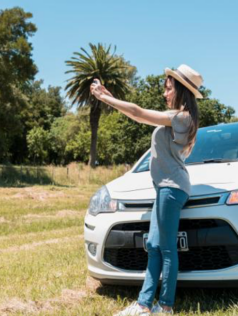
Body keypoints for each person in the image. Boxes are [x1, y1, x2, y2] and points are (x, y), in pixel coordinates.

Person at [90, 64, 203, 316]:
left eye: (169, 87)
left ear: (181, 90)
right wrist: (110, 97)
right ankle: (143, 305)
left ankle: (165, 307)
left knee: (165, 248)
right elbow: (140, 115)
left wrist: (105, 98)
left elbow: (139, 113)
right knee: (153, 245)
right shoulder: (177, 116)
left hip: (171, 187)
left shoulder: (183, 117)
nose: (165, 93)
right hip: (165, 188)